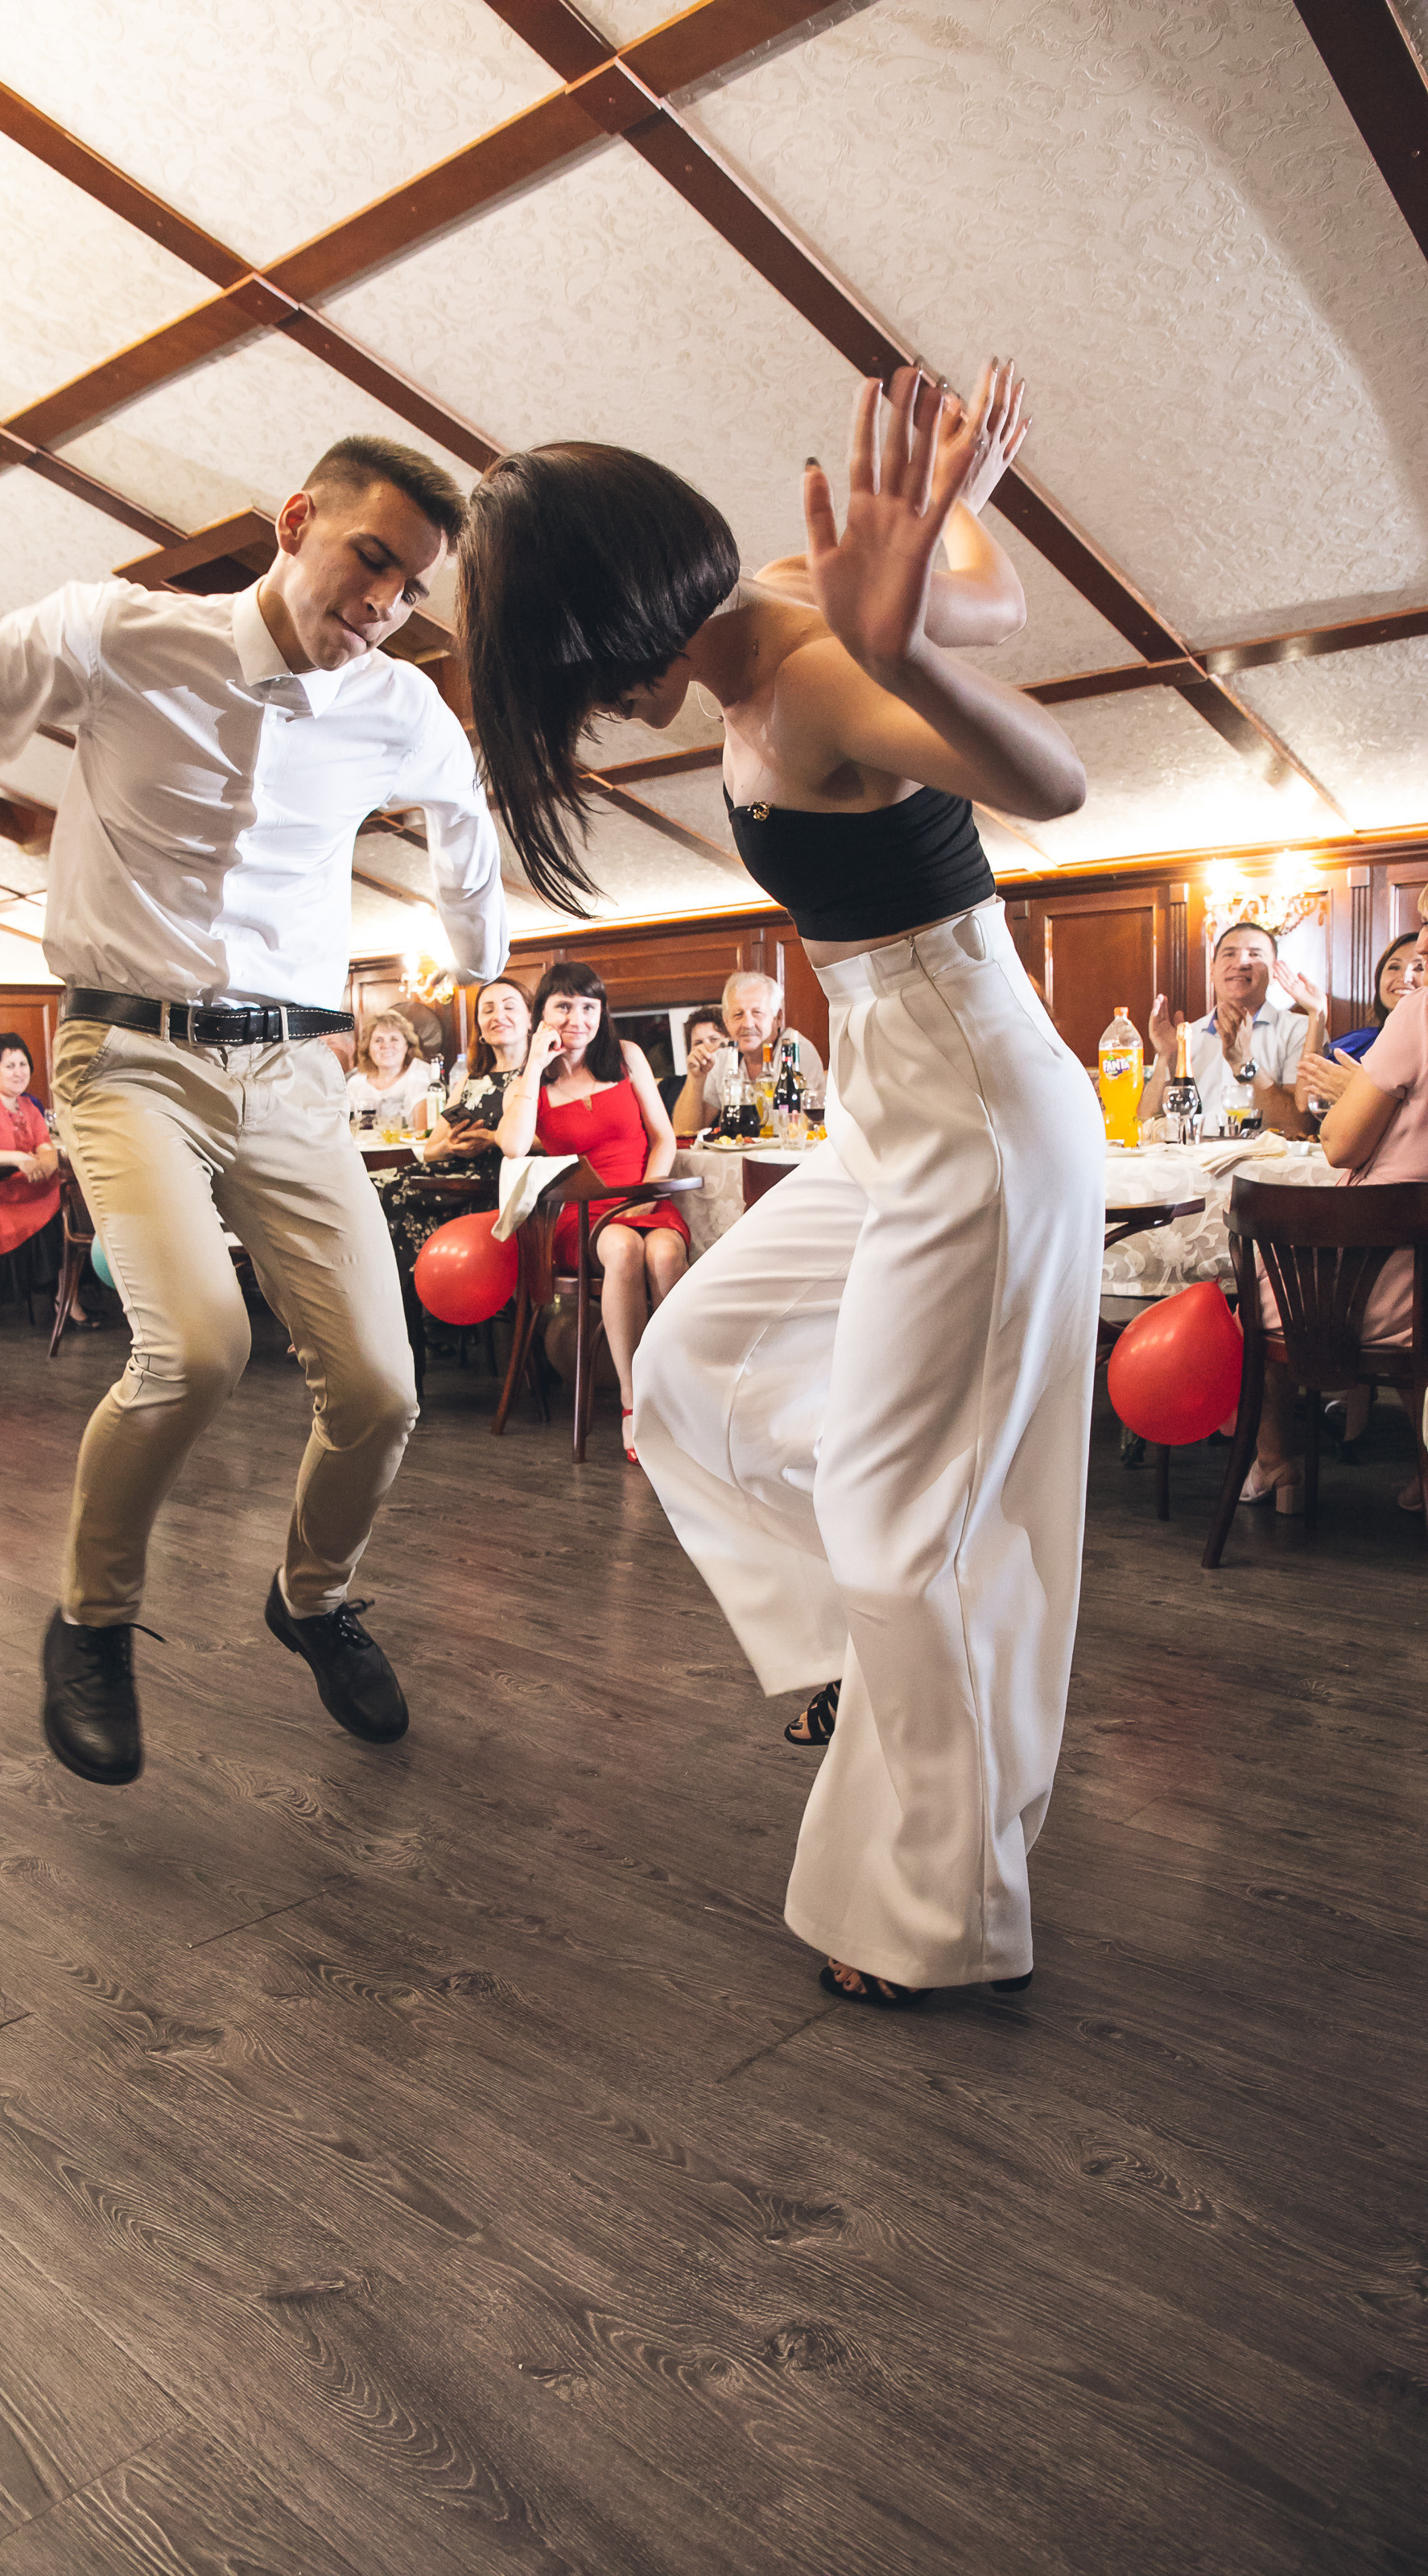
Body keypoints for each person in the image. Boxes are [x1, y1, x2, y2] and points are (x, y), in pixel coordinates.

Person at [460, 361, 1100, 2008]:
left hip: (970, 1098)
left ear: (625, 625)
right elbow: (996, 592)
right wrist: (959, 521)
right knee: (689, 1368)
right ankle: (844, 1659)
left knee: (898, 1531)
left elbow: (1051, 785)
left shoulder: (820, 668)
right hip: (895, 1092)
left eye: (586, 686)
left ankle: (939, 1916)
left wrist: (905, 657)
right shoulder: (806, 595)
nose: (600, 718)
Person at [0, 432, 506, 1784]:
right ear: (298, 521)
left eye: (410, 588)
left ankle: (311, 1597)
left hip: (292, 1070)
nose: (383, 605)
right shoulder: (122, 632)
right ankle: (92, 1621)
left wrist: (480, 944)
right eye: (370, 561)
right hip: (127, 1057)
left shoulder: (400, 706)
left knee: (380, 1387)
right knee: (200, 1346)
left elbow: (467, 823)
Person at [1241, 960, 1428, 1516]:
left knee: (1266, 1281)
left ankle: (1274, 1458)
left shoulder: (1416, 1014)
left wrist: (1356, 1094)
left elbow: (1338, 1144)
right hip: (1414, 1271)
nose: (1416, 969)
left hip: (1389, 1292)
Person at [496, 960, 690, 1462]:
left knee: (666, 1254)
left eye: (588, 1006)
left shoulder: (626, 1056)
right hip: (581, 1213)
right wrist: (534, 1063)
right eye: (563, 1006)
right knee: (623, 1247)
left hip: (646, 1196)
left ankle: (682, 1396)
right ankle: (632, 1401)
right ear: (542, 1015)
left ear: (603, 1013)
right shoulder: (530, 1081)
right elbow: (514, 1146)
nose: (577, 1018)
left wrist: (648, 1194)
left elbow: (664, 1137)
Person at [371, 975, 532, 1287]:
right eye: (487, 1010)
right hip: (452, 1178)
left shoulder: (540, 1073)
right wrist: (453, 1145)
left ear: (530, 1020)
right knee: (371, 1185)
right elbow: (431, 1150)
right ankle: (403, 1301)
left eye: (509, 1007)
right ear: (480, 1029)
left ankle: (420, 1301)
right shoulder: (469, 1079)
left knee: (389, 1191)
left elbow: (554, 1138)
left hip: (495, 1187)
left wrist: (490, 1140)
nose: (498, 1016)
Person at [0, 1030, 93, 1325]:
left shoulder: (28, 1106)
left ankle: (68, 1293)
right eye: (9, 1066)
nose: (18, 1072)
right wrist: (20, 1158)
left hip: (17, 1190)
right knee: (68, 1205)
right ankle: (66, 1296)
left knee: (75, 1194)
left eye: (23, 1064)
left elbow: (47, 1149)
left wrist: (46, 1164)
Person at [1140, 922, 1312, 1131]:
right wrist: (1166, 1057)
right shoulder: (1185, 1036)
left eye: (1255, 955)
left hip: (1265, 1162)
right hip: (1191, 1160)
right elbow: (1145, 1121)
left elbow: (1301, 1126)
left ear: (1274, 972)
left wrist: (1245, 1065)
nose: (1241, 963)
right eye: (1229, 954)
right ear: (1211, 971)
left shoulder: (1301, 1031)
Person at [671, 970, 827, 1136]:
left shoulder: (795, 1051)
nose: (747, 1023)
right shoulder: (724, 1057)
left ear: (778, 1018)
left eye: (757, 1013)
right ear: (726, 1021)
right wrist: (696, 1078)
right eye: (738, 1015)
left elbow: (802, 1128)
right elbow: (684, 1131)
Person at [1294, 930, 1424, 1111]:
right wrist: (1317, 1014)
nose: (1404, 978)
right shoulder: (1362, 1042)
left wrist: (1360, 1092)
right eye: (1394, 967)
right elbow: (1306, 1101)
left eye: (1420, 968)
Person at [345, 1009, 431, 1126]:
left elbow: (423, 1131)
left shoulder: (420, 1074)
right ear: (368, 1048)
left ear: (407, 1045)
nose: (386, 1046)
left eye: (394, 1039)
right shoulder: (355, 1083)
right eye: (378, 1040)